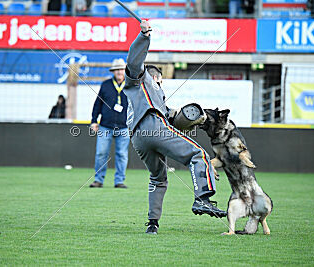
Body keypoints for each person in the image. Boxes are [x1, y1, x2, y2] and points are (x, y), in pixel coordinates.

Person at [124, 20, 227, 234]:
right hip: (153, 124)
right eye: (161, 81)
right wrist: (144, 35)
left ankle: (152, 224)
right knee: (198, 154)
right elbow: (134, 60)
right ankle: (203, 199)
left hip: (138, 139)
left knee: (158, 178)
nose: (162, 84)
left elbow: (174, 118)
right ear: (155, 77)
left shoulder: (144, 97)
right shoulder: (142, 78)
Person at [89, 58, 130, 189]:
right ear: (113, 71)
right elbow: (98, 104)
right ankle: (98, 180)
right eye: (117, 69)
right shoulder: (106, 84)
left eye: (122, 69)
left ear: (125, 71)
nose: (119, 72)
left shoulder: (131, 86)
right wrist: (94, 121)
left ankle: (119, 181)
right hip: (105, 125)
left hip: (124, 126)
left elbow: (136, 106)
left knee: (122, 155)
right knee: (101, 153)